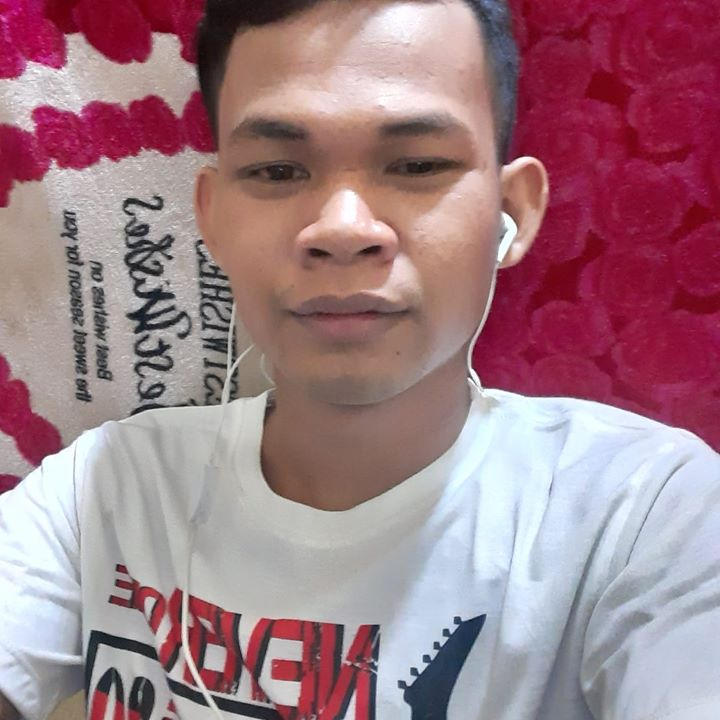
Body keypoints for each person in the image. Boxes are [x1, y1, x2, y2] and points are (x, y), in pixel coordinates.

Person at [1, 0, 719, 719]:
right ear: (212, 216)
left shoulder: (645, 514)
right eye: (277, 170)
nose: (342, 229)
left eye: (417, 165)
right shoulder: (105, 490)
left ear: (514, 211)